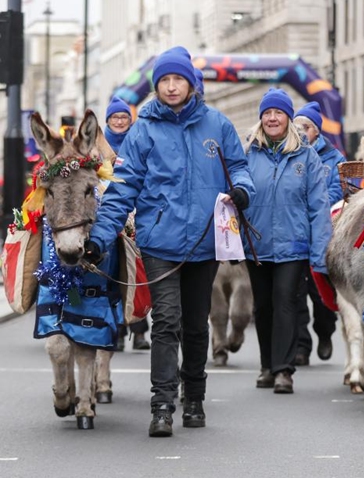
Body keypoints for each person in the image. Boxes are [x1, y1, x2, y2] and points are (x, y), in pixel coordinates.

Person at [85, 46, 255, 437]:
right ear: (156, 86)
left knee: (196, 324)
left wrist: (243, 192)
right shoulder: (143, 129)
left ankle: (193, 398)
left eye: (179, 79)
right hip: (160, 241)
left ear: (191, 83)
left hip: (204, 241)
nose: (172, 86)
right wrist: (99, 239)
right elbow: (122, 190)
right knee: (165, 322)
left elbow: (240, 169)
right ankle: (161, 405)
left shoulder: (218, 125)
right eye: (165, 80)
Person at [243, 88, 332, 394]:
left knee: (285, 304)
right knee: (263, 307)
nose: (271, 118)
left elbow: (319, 207)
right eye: (267, 113)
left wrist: (320, 252)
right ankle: (267, 365)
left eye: (278, 113)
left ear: (289, 119)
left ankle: (283, 370)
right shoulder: (247, 154)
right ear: (260, 119)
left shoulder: (306, 156)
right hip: (256, 244)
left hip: (293, 245)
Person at [293, 101, 345, 364]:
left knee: (320, 290)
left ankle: (325, 332)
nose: (301, 131)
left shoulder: (334, 158)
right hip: (292, 233)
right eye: (297, 125)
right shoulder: (288, 152)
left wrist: (312, 201)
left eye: (306, 126)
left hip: (322, 235)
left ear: (317, 132)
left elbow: (338, 192)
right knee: (295, 294)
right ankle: (301, 346)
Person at [103, 96, 152, 352]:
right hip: (110, 213)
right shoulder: (99, 145)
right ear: (108, 120)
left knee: (136, 272)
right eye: (115, 117)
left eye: (123, 117)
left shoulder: (139, 141)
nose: (120, 121)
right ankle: (119, 331)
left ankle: (140, 329)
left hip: (134, 212)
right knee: (115, 275)